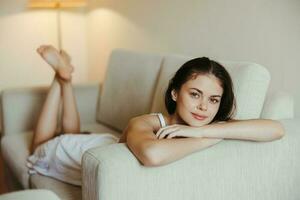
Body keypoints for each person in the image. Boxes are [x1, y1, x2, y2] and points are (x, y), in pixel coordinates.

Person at [28, 45, 285, 186]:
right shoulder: (146, 122)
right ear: (174, 93)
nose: (203, 107)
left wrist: (205, 130)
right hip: (72, 152)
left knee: (72, 132)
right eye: (195, 94)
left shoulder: (207, 125)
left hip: (101, 142)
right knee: (42, 144)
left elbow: (276, 129)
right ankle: (61, 80)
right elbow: (152, 154)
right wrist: (208, 136)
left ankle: (64, 79)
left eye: (213, 99)